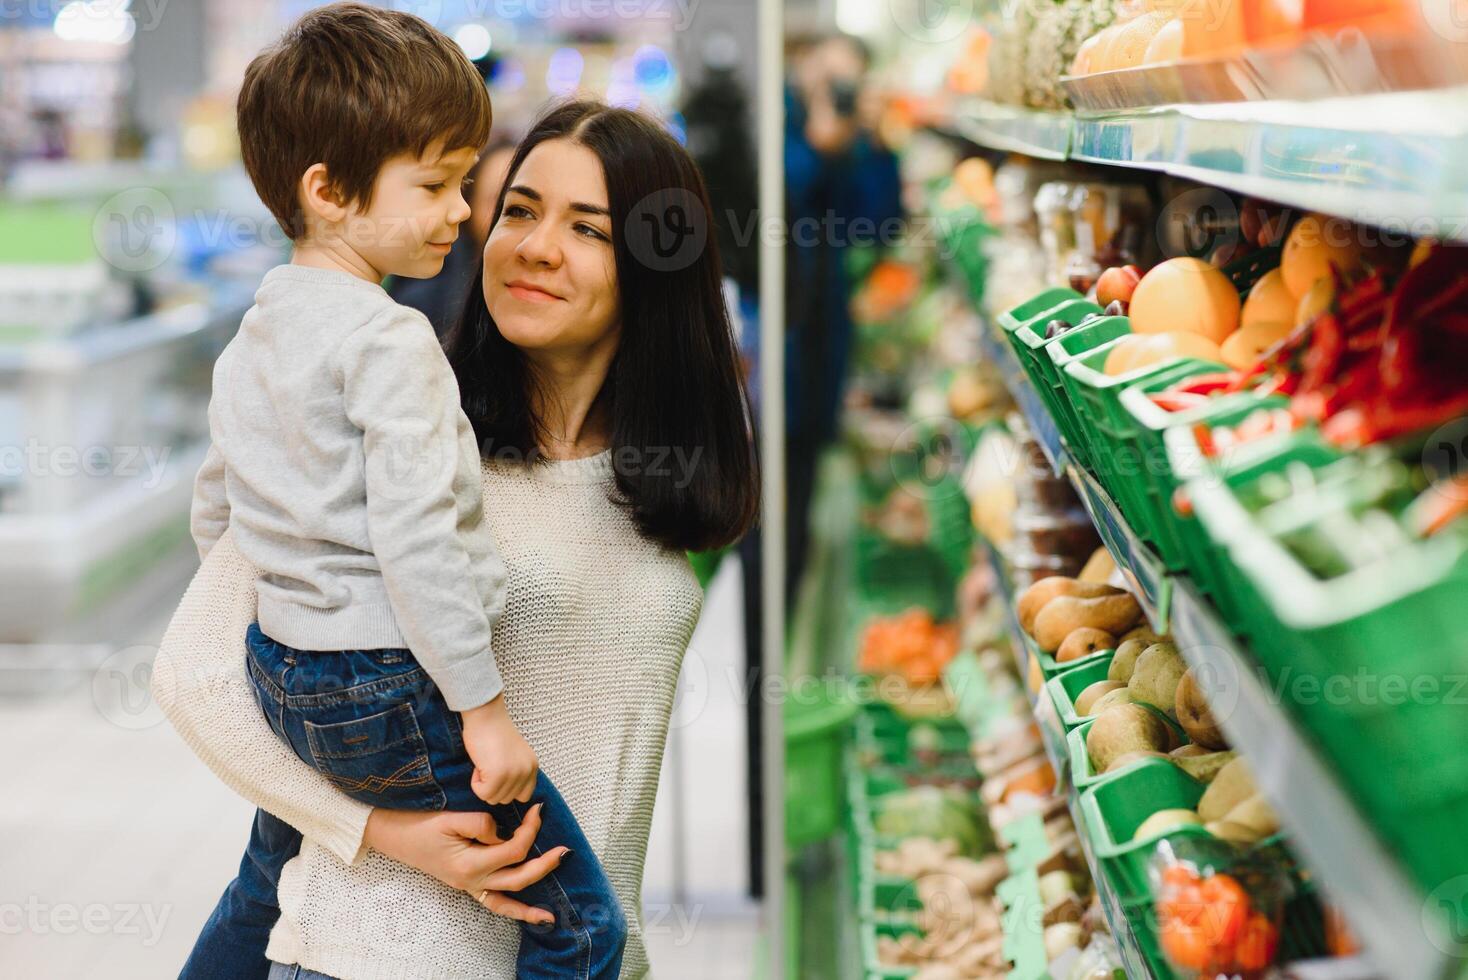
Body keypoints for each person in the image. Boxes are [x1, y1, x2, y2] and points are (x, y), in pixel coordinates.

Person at [155, 96, 759, 980]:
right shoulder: (393, 428)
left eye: (587, 228)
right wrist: (384, 833)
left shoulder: (661, 484)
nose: (536, 246)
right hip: (375, 956)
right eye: (518, 210)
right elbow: (196, 675)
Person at [183, 5, 623, 978]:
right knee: (584, 926)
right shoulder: (390, 343)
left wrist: (291, 611)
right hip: (386, 679)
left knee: (266, 871)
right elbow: (419, 542)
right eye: (435, 186)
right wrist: (484, 710)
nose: (461, 214)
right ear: (329, 191)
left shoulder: (255, 333)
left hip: (281, 670)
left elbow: (214, 512)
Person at [783, 33, 902, 602]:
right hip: (775, 336)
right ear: (804, 67)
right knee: (771, 487)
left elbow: (877, 225)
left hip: (822, 333)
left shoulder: (851, 136)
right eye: (829, 77)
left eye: (847, 82)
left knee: (804, 474)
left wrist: (876, 144)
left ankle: (796, 588)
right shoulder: (778, 119)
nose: (836, 91)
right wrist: (816, 142)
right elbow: (775, 198)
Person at [389, 137, 517, 337]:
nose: (504, 213)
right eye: (496, 200)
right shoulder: (427, 298)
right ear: (470, 203)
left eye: (521, 207)